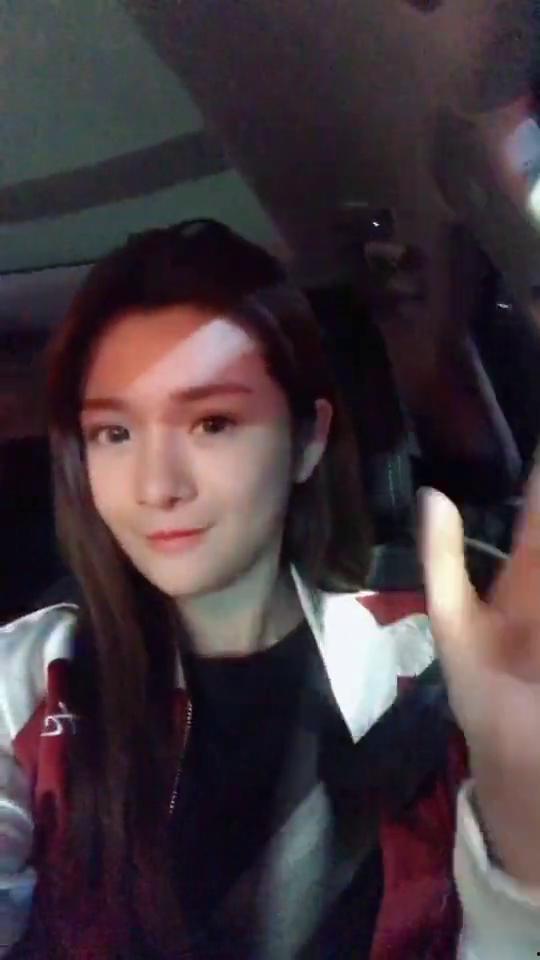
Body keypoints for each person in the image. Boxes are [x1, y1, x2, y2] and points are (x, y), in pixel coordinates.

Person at [1, 219, 540, 960]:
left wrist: (522, 857)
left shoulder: (431, 661)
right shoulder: (31, 682)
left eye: (212, 423)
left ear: (308, 440)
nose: (157, 487)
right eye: (114, 434)